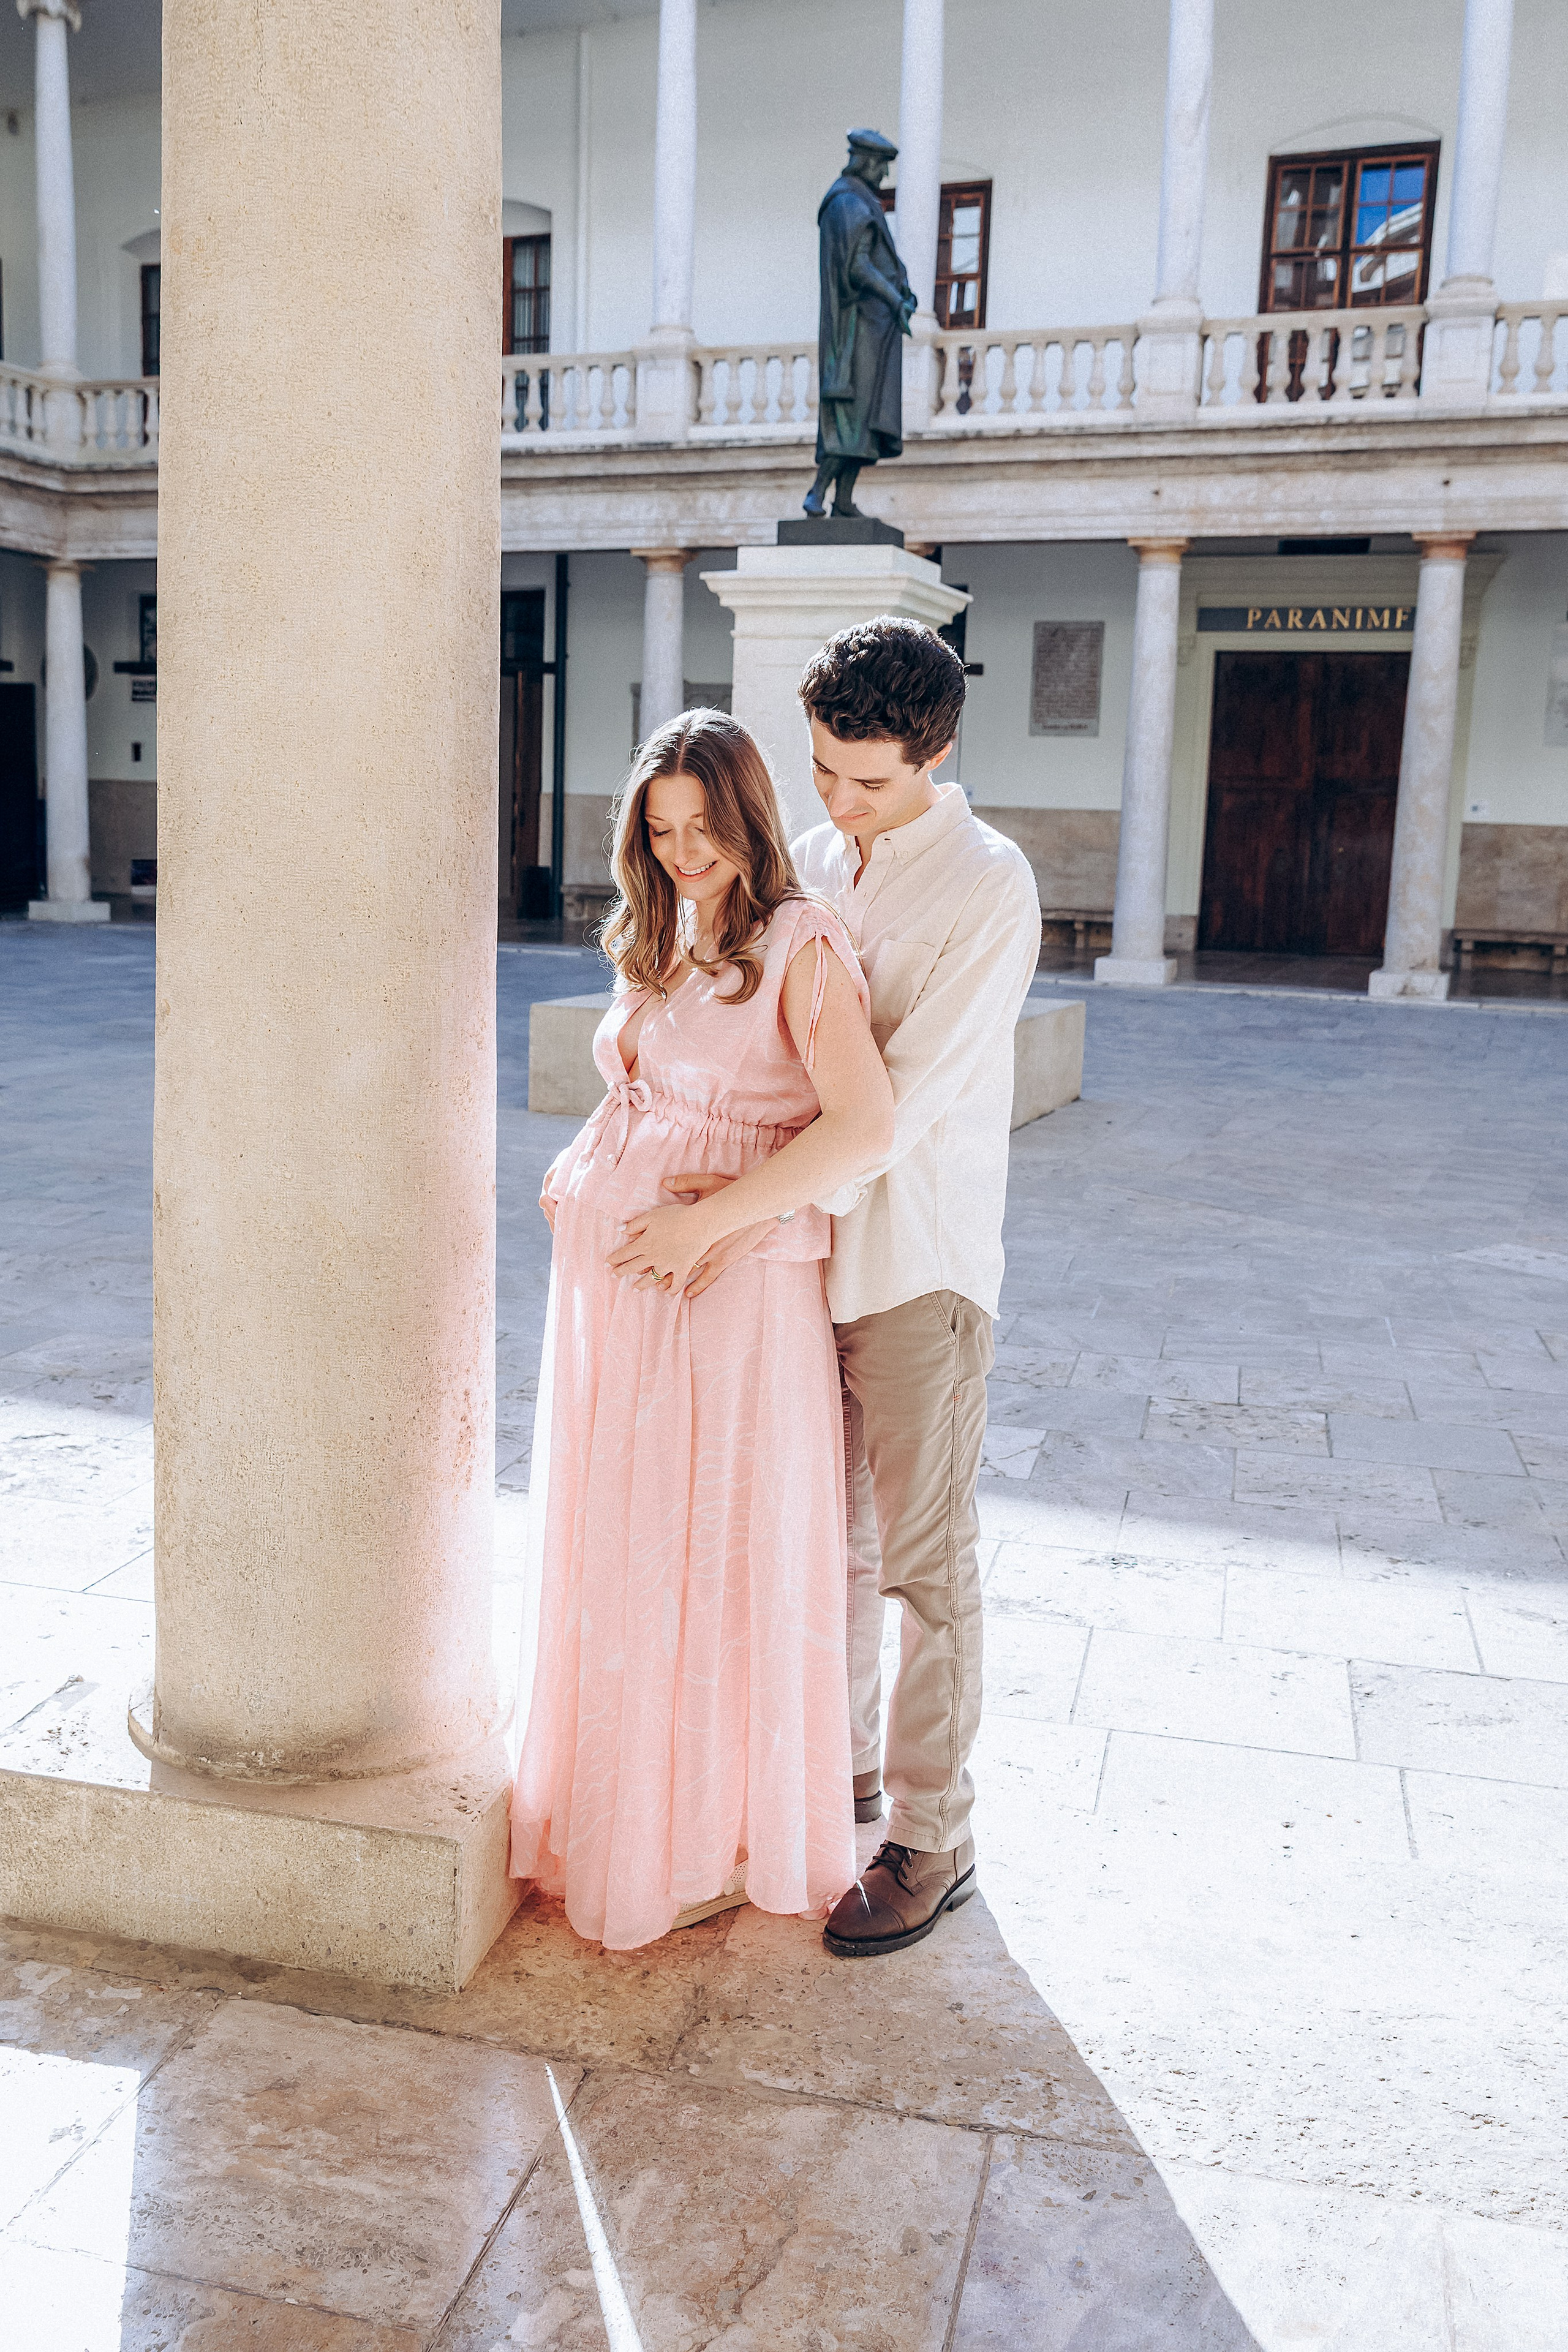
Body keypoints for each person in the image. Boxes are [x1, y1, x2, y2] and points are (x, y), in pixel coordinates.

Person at [510, 709, 895, 1953]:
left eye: (704, 829)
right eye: (660, 830)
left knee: (713, 1549)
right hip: (622, 1294)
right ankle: (623, 1804)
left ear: (749, 819)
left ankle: (705, 1833)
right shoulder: (665, 930)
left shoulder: (800, 943)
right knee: (628, 1547)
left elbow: (861, 1128)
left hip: (722, 1291)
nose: (682, 852)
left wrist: (701, 1222)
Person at [794, 618, 1042, 1958]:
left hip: (914, 1266)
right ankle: (836, 1770)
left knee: (922, 1568)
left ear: (935, 755)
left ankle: (930, 1839)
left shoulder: (990, 884)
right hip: (802, 1258)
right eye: (824, 772)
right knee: (817, 1538)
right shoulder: (816, 858)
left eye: (867, 781)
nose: (837, 805)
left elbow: (892, 1109)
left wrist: (740, 1210)